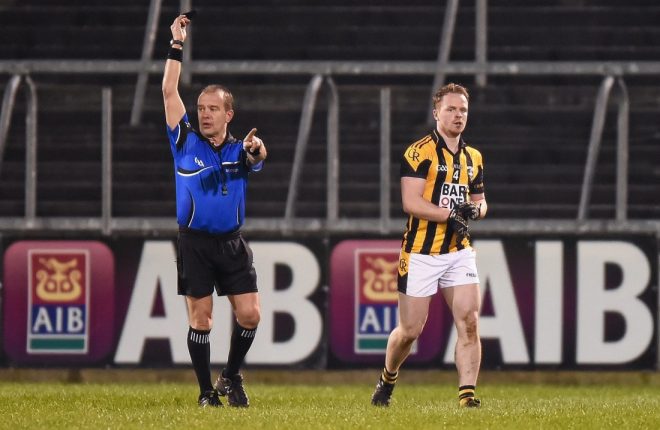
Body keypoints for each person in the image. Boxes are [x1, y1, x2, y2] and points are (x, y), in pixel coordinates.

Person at [162, 14, 267, 408]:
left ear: (229, 115)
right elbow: (169, 90)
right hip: (195, 243)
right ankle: (207, 392)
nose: (204, 113)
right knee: (201, 319)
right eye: (201, 107)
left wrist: (257, 150)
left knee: (250, 315)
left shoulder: (242, 149)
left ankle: (231, 376)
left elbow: (259, 156)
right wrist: (176, 44)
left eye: (212, 108)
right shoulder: (184, 140)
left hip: (232, 242)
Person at [371, 83, 487, 408]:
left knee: (469, 320)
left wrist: (474, 211)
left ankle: (467, 396)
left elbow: (481, 202)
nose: (457, 115)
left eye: (462, 109)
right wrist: (450, 212)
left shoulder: (473, 157)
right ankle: (388, 376)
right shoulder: (419, 152)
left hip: (458, 251)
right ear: (436, 112)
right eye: (451, 109)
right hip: (421, 252)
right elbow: (411, 202)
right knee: (409, 331)